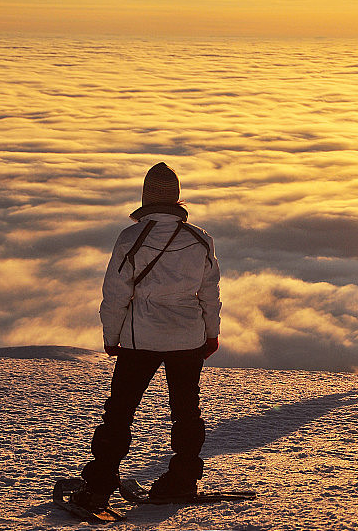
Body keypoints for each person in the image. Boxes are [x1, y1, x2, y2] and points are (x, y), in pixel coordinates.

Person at [72, 162, 222, 511]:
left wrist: (112, 337)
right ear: (176, 198)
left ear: (146, 198)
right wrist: (211, 335)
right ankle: (182, 480)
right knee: (186, 412)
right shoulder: (201, 240)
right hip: (188, 340)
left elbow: (115, 294)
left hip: (141, 340)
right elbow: (209, 294)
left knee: (120, 412)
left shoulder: (130, 239)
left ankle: (99, 485)